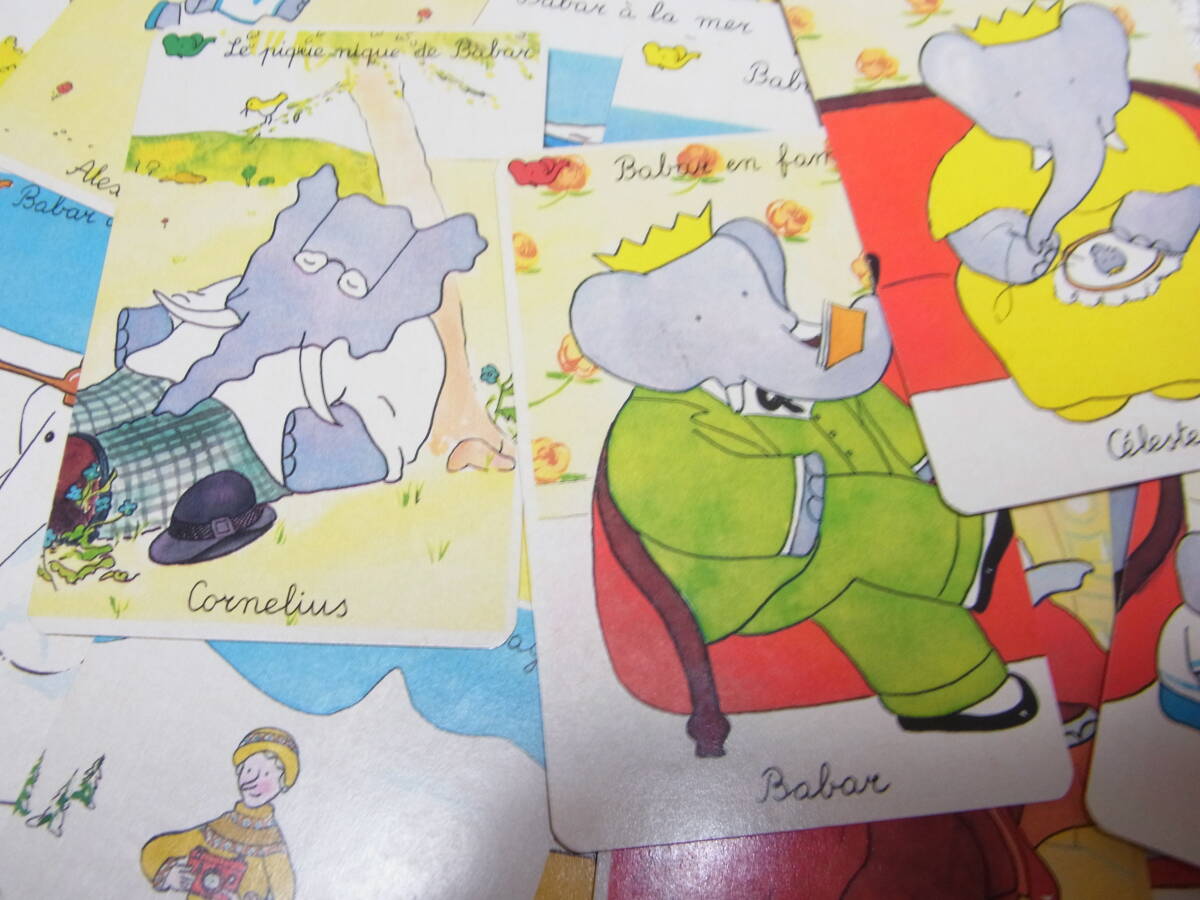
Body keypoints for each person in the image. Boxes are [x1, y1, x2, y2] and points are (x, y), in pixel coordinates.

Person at [141, 727, 299, 900]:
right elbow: (154, 850)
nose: (253, 781)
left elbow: (285, 891)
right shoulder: (216, 830)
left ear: (282, 784)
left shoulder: (272, 844)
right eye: (249, 771)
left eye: (266, 775)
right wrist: (170, 875)